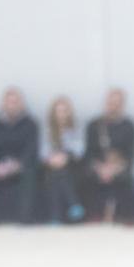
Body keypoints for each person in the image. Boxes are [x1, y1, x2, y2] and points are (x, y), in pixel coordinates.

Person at [0, 88, 39, 224]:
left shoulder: (30, 124)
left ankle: (25, 218)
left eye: (15, 102)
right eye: (9, 102)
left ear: (22, 104)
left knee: (31, 170)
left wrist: (18, 165)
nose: (12, 105)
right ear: (3, 104)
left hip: (20, 166)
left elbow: (31, 150)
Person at [83, 88, 134, 223]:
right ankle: (93, 214)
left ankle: (119, 215)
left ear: (122, 105)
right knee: (86, 175)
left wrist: (114, 168)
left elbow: (131, 154)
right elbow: (89, 152)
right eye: (111, 103)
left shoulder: (129, 126)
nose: (113, 107)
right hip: (98, 167)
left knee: (125, 178)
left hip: (119, 168)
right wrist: (100, 168)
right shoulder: (94, 125)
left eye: (117, 103)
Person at [42, 96, 86, 224]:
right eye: (58, 111)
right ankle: (74, 204)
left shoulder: (76, 128)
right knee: (55, 175)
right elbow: (42, 151)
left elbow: (80, 150)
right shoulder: (47, 129)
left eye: (64, 111)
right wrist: (51, 159)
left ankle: (55, 216)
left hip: (72, 165)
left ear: (69, 112)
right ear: (53, 113)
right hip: (51, 165)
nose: (61, 114)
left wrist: (65, 156)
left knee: (59, 174)